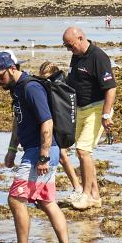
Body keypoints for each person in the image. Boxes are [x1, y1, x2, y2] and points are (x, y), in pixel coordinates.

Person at [0, 50, 71, 243]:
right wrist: (11, 150)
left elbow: (47, 122)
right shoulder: (17, 90)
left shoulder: (31, 88)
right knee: (46, 202)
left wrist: (43, 156)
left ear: (13, 68)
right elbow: (19, 120)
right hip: (35, 150)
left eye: (0, 76)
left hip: (39, 152)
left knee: (16, 199)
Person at [61, 25, 116, 210]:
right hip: (80, 109)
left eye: (70, 45)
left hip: (97, 108)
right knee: (74, 149)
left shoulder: (98, 57)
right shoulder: (76, 56)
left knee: (83, 151)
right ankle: (95, 196)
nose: (69, 49)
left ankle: (85, 195)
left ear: (81, 38)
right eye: (66, 47)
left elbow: (111, 88)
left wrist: (106, 114)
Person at [37, 61, 80, 197]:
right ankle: (46, 190)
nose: (45, 80)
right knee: (58, 156)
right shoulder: (50, 86)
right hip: (51, 124)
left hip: (60, 126)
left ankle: (77, 187)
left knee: (61, 155)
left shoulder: (60, 87)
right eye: (42, 78)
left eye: (47, 77)